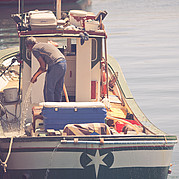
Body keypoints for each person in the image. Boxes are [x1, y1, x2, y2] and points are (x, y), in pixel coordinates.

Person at [25, 37, 66, 102]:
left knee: (48, 90)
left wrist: (34, 77)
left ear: (29, 46)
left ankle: (50, 110)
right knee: (58, 89)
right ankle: (57, 109)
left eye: (27, 47)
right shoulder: (44, 44)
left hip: (55, 65)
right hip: (63, 63)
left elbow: (43, 67)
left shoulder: (34, 49)